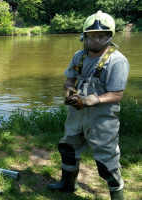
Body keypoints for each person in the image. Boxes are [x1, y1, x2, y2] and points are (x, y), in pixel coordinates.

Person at [47, 11, 129, 200]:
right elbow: (69, 81)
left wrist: (91, 100)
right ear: (84, 36)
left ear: (110, 36)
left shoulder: (117, 61)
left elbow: (117, 95)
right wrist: (69, 90)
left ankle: (118, 197)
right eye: (92, 36)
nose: (97, 40)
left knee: (106, 162)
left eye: (102, 36)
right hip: (76, 114)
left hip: (102, 119)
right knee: (68, 149)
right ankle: (67, 185)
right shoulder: (79, 56)